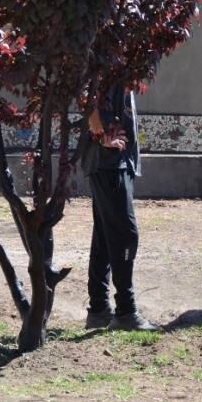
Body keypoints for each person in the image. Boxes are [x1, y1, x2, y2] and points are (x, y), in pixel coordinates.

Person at [84, 82, 159, 331]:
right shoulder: (106, 55)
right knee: (126, 235)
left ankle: (98, 309)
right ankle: (125, 311)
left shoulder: (122, 59)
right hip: (109, 163)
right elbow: (83, 91)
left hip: (115, 162)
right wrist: (99, 134)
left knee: (105, 237)